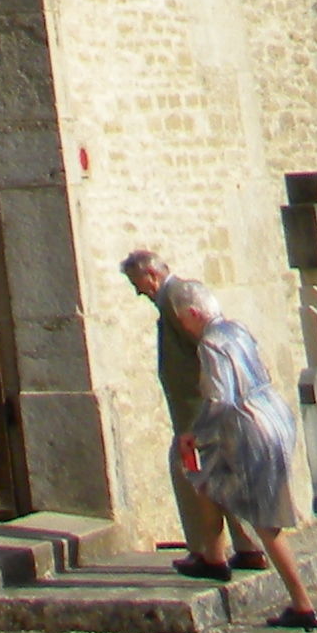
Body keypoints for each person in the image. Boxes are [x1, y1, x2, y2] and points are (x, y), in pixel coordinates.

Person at [163, 278, 317, 630]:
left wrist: (193, 432)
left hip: (251, 425)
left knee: (266, 521)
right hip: (272, 414)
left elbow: (221, 398)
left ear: (193, 313)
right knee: (205, 477)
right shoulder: (237, 330)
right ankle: (214, 556)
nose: (183, 327)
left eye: (183, 319)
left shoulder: (211, 343)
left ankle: (302, 604)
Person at [123, 248, 225, 580]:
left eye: (137, 282)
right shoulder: (172, 298)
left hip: (196, 411)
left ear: (150, 274)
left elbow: (206, 346)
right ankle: (243, 548)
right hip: (199, 408)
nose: (138, 291)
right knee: (220, 475)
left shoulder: (175, 297)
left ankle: (206, 553)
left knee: (191, 475)